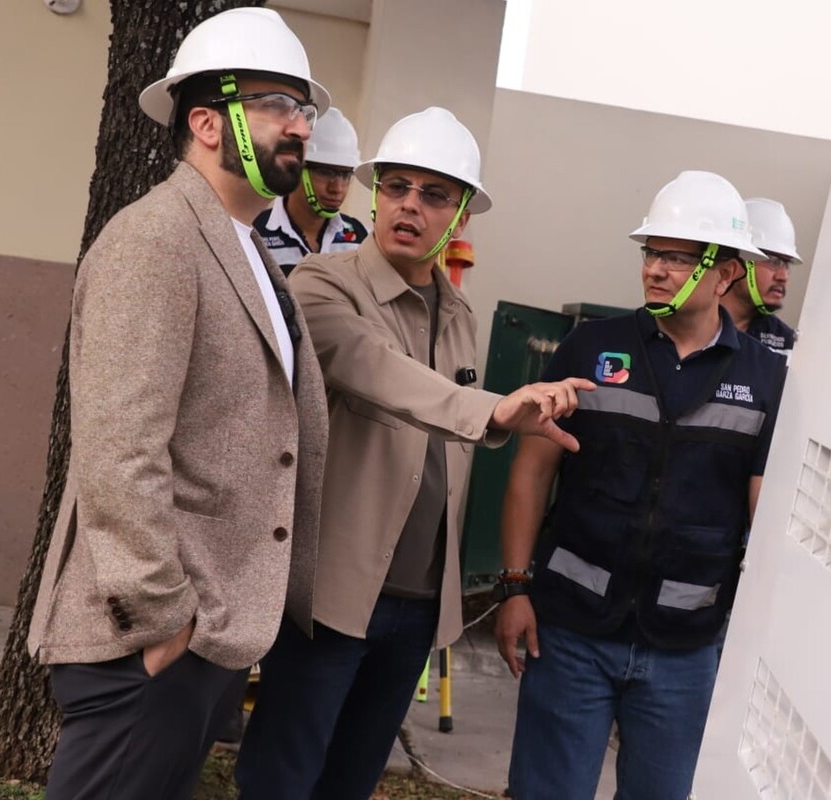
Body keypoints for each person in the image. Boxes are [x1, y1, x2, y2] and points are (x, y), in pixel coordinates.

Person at [235, 107, 595, 800]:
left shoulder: (458, 313)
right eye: (396, 186)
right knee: (281, 777)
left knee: (353, 779)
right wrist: (492, 409)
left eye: (434, 195)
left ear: (461, 214)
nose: (409, 205)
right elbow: (377, 372)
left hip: (421, 602)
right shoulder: (320, 283)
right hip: (335, 597)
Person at [26, 9, 331, 799]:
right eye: (278, 106)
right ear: (206, 120)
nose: (300, 126)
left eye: (306, 110)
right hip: (150, 641)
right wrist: (166, 619)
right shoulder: (156, 240)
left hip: (207, 638)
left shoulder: (249, 248)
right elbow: (119, 449)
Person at [495, 171, 788, 800]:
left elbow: (765, 513)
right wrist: (515, 587)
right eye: (651, 252)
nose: (655, 269)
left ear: (726, 272)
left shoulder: (767, 377)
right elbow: (531, 471)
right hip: (569, 633)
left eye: (677, 257)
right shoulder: (590, 346)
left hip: (685, 653)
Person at [254, 107, 369, 275]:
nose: (337, 188)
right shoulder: (255, 234)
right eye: (326, 172)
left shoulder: (359, 235)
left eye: (345, 175)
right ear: (297, 167)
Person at [721, 197, 803, 355]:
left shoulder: (785, 343)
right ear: (736, 263)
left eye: (787, 264)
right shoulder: (687, 326)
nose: (783, 276)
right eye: (774, 262)